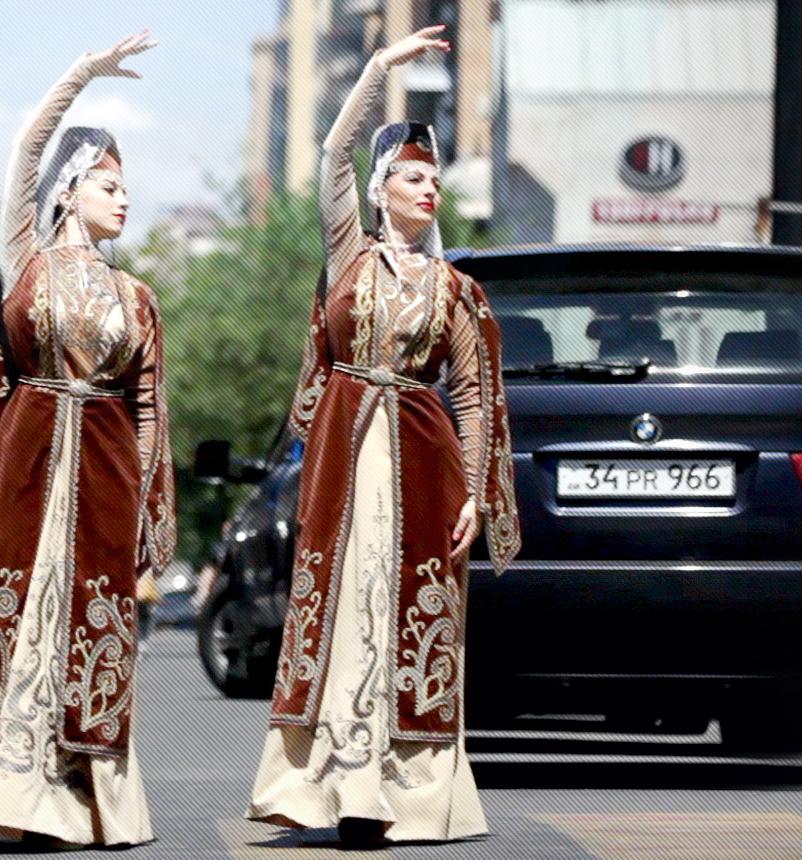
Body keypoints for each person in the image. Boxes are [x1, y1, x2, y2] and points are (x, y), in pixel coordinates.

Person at [245, 25, 521, 848]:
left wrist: (473, 488)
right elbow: (332, 155)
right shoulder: (348, 258)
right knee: (348, 604)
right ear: (378, 192)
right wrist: (378, 71)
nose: (426, 188)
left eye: (433, 177)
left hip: (425, 460)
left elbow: (470, 395)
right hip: (348, 452)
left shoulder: (457, 290)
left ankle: (412, 791)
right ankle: (335, 784)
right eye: (410, 175)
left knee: (413, 614)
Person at [0, 30, 174, 849]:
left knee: (94, 623)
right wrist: (83, 75)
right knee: (28, 611)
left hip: (107, 468)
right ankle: (12, 794)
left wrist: (150, 501)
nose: (123, 200)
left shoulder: (137, 298)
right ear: (70, 190)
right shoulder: (24, 261)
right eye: (109, 185)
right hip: (32, 459)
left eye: (126, 187)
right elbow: (23, 146)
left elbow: (150, 410)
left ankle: (87, 799)